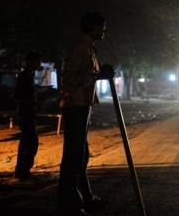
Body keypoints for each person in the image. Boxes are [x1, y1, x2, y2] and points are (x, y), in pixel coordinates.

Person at [58, 12, 110, 216]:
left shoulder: (89, 48)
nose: (104, 30)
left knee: (81, 155)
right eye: (102, 27)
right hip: (75, 106)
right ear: (93, 27)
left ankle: (85, 198)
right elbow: (69, 79)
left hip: (84, 106)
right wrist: (97, 74)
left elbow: (89, 76)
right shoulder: (80, 48)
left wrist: (99, 74)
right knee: (73, 156)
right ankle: (69, 204)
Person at [13, 51, 42, 181]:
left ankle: (22, 170)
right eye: (37, 61)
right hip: (25, 113)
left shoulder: (29, 75)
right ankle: (23, 171)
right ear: (30, 62)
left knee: (27, 142)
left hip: (27, 112)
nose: (39, 63)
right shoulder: (24, 76)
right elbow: (18, 95)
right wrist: (31, 102)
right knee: (30, 142)